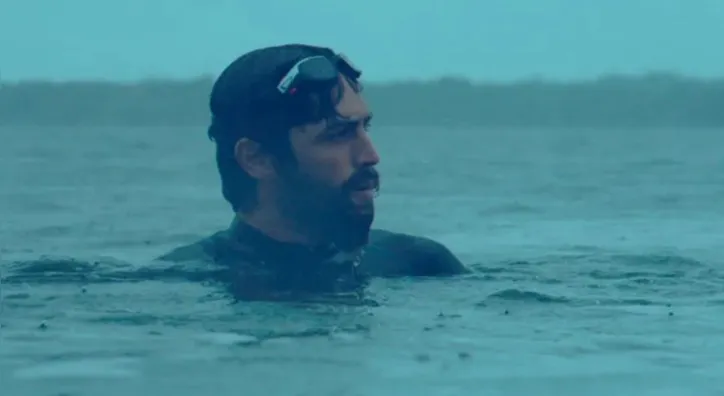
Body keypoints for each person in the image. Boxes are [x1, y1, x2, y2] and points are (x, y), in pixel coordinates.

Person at [158, 44, 469, 301]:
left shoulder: (422, 265)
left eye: (364, 127)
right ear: (256, 158)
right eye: (337, 135)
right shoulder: (181, 284)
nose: (371, 155)